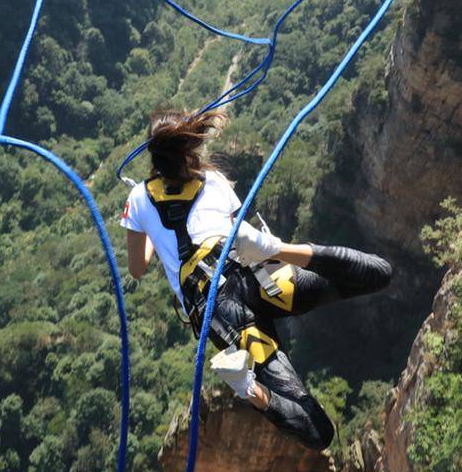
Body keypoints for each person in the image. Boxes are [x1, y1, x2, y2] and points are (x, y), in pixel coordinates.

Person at [120, 106, 392, 449]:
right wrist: (270, 249)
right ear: (191, 149)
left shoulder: (138, 199)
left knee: (318, 432)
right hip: (259, 277)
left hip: (221, 314)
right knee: (377, 273)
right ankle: (279, 248)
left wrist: (147, 232)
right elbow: (233, 235)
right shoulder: (215, 182)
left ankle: (250, 391)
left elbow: (137, 268)